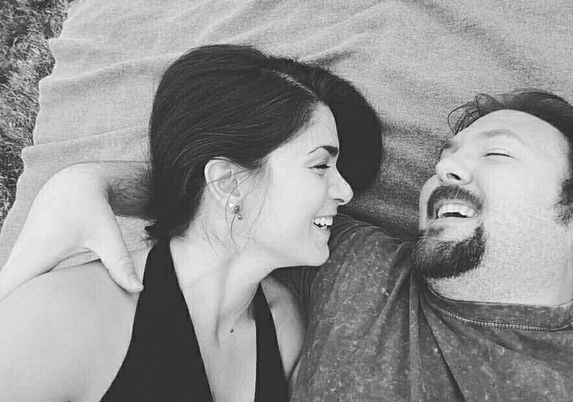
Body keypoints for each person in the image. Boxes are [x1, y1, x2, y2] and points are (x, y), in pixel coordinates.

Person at [2, 91, 573, 400]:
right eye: (445, 158)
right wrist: (90, 181)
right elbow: (250, 193)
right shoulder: (355, 266)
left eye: (496, 153)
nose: (446, 170)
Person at [0, 44, 382, 401]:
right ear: (228, 182)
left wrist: (88, 181)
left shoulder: (286, 328)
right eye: (320, 165)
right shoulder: (63, 318)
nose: (345, 192)